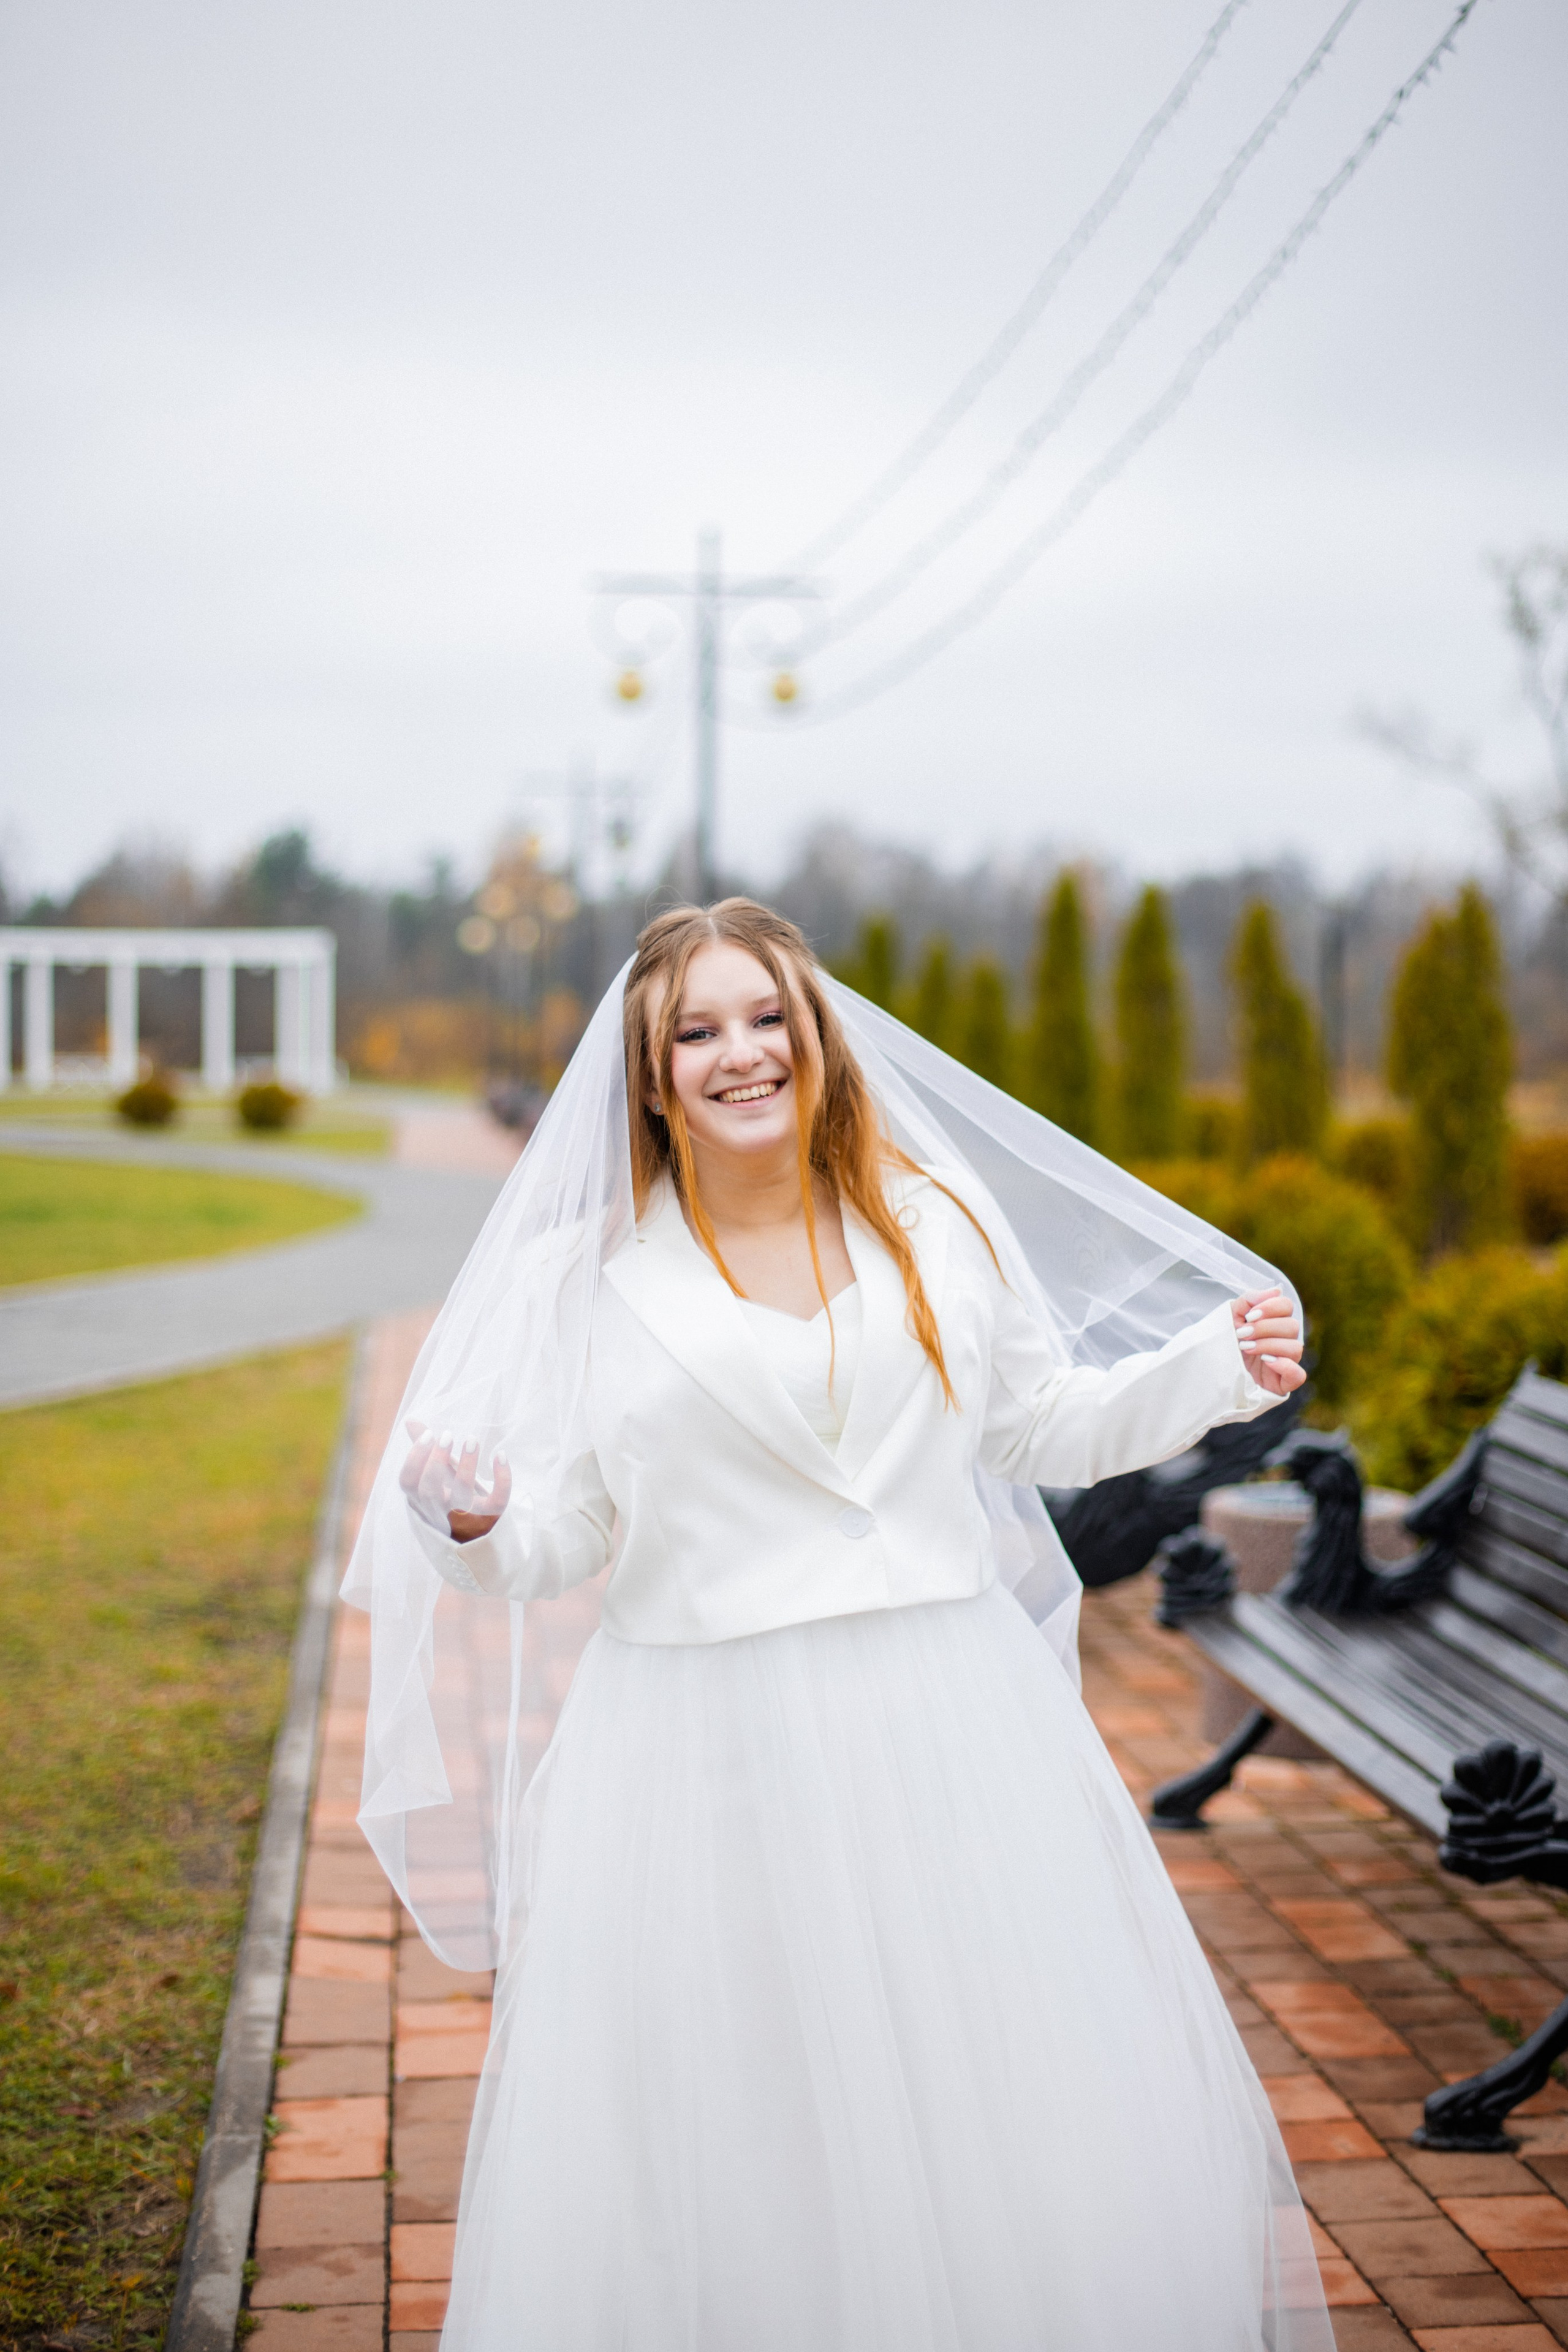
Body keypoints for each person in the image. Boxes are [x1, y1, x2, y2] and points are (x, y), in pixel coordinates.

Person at [349, 898, 1331, 2351]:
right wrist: (480, 1523)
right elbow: (571, 1534)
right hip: (701, 1746)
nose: (740, 1052)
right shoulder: (592, 1279)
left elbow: (1037, 1423)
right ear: (651, 1076)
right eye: (696, 1031)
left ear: (815, 1035)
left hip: (944, 1714)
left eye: (766, 1016)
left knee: (979, 2073)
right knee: (742, 2093)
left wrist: (1205, 1371)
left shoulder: (931, 1219)